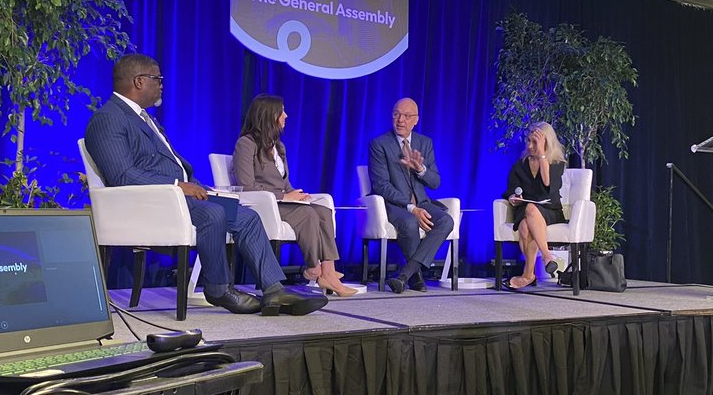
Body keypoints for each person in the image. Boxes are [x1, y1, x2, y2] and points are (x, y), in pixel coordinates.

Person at [84, 54, 327, 317]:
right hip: (150, 202)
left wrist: (198, 186)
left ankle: (274, 289)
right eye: (158, 79)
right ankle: (219, 289)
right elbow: (122, 175)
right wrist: (178, 184)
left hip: (175, 195)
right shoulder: (108, 118)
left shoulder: (145, 119)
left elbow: (168, 164)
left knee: (247, 217)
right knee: (214, 213)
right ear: (140, 81)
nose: (162, 85)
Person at [232, 94, 356, 297]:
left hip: (282, 202)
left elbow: (284, 183)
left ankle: (329, 272)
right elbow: (246, 185)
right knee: (308, 215)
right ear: (269, 115)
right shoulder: (245, 144)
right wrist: (283, 197)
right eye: (282, 112)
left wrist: (296, 194)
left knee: (323, 210)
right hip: (263, 205)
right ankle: (313, 267)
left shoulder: (279, 147)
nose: (286, 116)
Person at [368, 97, 454, 293]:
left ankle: (405, 274)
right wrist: (411, 208)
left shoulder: (425, 143)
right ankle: (415, 277)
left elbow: (435, 182)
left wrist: (421, 169)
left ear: (416, 120)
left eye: (406, 116)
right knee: (409, 222)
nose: (400, 120)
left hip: (423, 202)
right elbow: (381, 185)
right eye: (397, 115)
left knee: (446, 221)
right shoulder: (379, 144)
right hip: (395, 205)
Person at [503, 122, 567, 290]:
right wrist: (513, 198)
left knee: (530, 214)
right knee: (525, 223)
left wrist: (541, 155)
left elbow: (548, 187)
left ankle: (534, 268)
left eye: (535, 143)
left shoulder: (557, 163)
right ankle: (534, 269)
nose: (530, 146)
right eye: (529, 141)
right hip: (525, 210)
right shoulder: (520, 164)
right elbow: (510, 190)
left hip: (550, 210)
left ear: (546, 143)